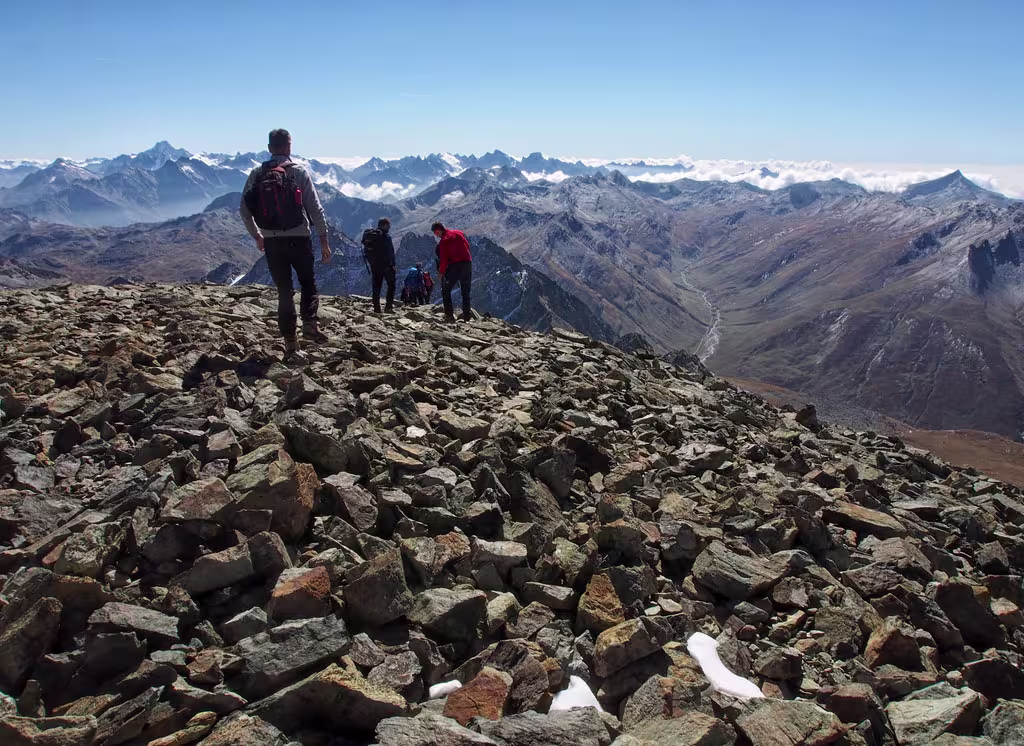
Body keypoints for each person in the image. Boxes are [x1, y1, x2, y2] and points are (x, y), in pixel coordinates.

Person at [240, 128, 331, 355]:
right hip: (299, 237)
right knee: (308, 283)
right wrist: (324, 240)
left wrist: (257, 236)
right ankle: (310, 325)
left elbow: (244, 209)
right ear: (289, 146)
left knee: (284, 290)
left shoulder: (256, 174)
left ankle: (290, 342)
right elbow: (315, 209)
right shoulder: (299, 172)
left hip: (271, 241)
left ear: (269, 148)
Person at [432, 221, 472, 322]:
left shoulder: (443, 241)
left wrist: (441, 272)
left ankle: (449, 315)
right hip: (467, 264)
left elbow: (444, 259)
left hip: (455, 266)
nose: (436, 236)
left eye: (436, 233)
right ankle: (467, 316)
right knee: (465, 291)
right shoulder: (459, 233)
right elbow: (467, 245)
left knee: (446, 290)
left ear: (440, 230)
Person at [363, 217, 396, 313]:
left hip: (374, 265)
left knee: (376, 286)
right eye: (388, 226)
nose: (389, 228)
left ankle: (376, 308)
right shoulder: (386, 237)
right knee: (391, 285)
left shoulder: (371, 235)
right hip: (386, 266)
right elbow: (390, 252)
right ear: (384, 225)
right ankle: (388, 307)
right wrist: (393, 264)